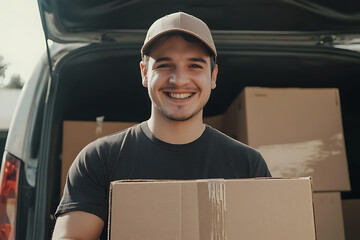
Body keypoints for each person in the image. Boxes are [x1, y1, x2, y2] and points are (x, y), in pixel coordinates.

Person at [52, 12, 271, 240]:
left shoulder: (247, 166)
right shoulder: (99, 159)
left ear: (213, 76)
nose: (179, 80)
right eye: (165, 65)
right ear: (145, 73)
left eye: (194, 65)